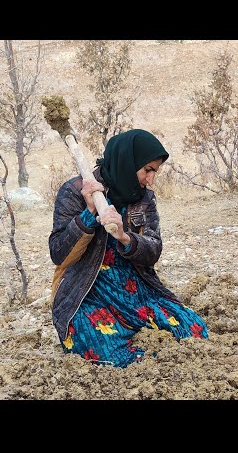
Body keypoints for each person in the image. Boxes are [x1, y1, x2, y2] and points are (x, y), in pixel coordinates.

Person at [48, 129, 208, 368]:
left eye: (155, 171)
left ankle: (139, 338)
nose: (151, 180)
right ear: (127, 162)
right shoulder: (75, 191)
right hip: (87, 293)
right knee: (107, 351)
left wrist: (124, 237)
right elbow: (58, 253)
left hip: (135, 291)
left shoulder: (144, 199)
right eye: (148, 170)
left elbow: (153, 250)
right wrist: (89, 212)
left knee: (193, 329)